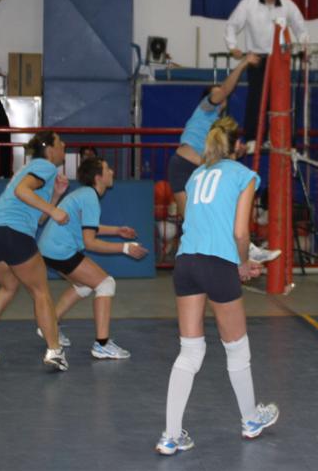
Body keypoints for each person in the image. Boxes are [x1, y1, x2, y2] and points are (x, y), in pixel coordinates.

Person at [156, 116, 279, 456]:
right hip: (216, 263)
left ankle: (170, 436)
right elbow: (240, 232)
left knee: (190, 351)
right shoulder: (244, 175)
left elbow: (196, 221)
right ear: (238, 146)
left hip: (186, 263)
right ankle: (250, 420)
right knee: (237, 348)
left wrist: (236, 262)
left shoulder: (196, 175)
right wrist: (242, 263)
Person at [0, 131, 71, 371]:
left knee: (8, 287)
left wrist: (55, 196)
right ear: (49, 149)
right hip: (12, 233)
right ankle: (55, 350)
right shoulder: (45, 166)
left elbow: (38, 218)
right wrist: (55, 211)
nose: (64, 145)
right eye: (60, 143)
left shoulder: (31, 168)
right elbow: (21, 191)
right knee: (41, 292)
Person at [166, 53, 279, 265]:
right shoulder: (205, 108)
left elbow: (220, 156)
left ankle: (244, 248)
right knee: (193, 221)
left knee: (222, 211)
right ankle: (195, 261)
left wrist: (237, 151)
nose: (222, 94)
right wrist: (244, 63)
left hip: (204, 171)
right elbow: (225, 89)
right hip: (183, 167)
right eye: (217, 92)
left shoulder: (219, 127)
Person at [37, 156, 148, 360]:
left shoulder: (85, 194)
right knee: (106, 284)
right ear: (98, 177)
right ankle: (102, 345)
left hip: (48, 250)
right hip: (60, 250)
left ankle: (48, 326)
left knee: (84, 285)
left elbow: (87, 226)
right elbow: (90, 243)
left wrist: (117, 231)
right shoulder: (89, 196)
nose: (112, 172)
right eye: (107, 169)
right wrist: (125, 248)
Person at [224, 0, 308, 153]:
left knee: (281, 101)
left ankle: (279, 139)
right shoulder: (248, 3)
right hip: (257, 60)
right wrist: (232, 46)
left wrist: (304, 47)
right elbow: (232, 24)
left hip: (281, 61)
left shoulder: (288, 5)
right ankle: (252, 140)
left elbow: (300, 28)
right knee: (255, 100)